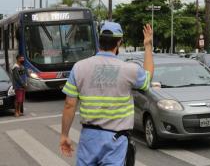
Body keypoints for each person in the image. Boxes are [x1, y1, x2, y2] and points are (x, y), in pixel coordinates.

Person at [59, 22, 154, 166]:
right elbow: (148, 78)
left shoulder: (79, 67)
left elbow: (69, 105)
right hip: (116, 140)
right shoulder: (129, 70)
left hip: (88, 138)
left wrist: (64, 135)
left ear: (99, 41)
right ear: (119, 42)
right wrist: (147, 46)